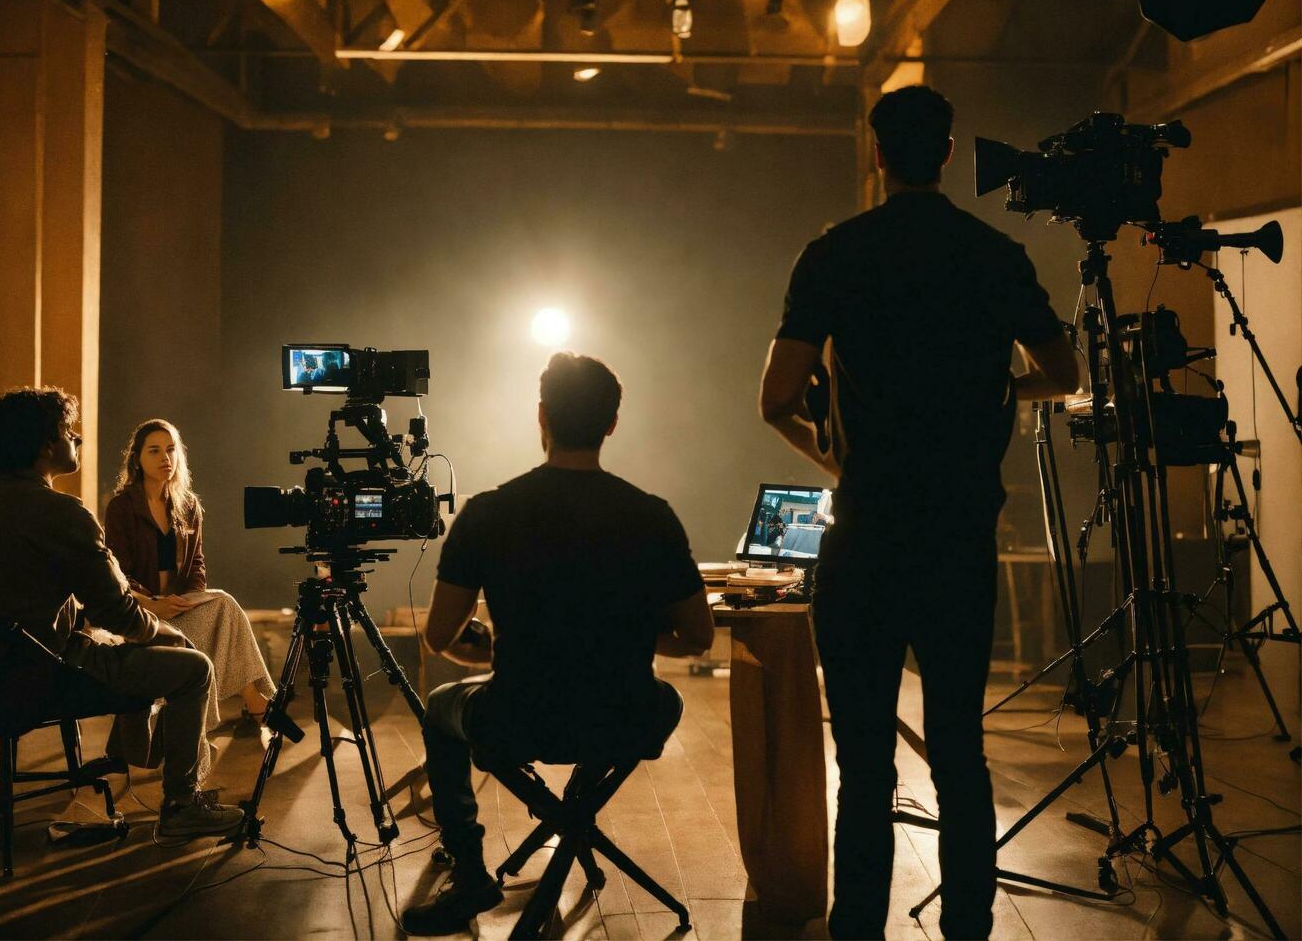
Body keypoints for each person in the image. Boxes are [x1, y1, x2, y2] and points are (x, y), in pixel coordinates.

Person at [759, 86, 1079, 939]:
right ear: (945, 154)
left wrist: (835, 457)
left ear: (877, 157)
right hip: (957, 542)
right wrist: (996, 390)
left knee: (861, 765)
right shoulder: (994, 254)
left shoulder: (831, 254)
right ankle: (968, 928)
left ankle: (857, 927)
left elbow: (774, 399)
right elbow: (1066, 374)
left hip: (864, 539)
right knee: (960, 755)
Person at [400, 353, 715, 936]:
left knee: (441, 705)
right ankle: (573, 818)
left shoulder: (488, 513)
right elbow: (697, 638)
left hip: (517, 719)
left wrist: (492, 647)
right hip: (627, 716)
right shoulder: (652, 517)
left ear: (540, 416)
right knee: (663, 699)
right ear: (611, 423)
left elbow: (440, 635)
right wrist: (634, 633)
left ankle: (470, 872)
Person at [0, 388, 244, 837]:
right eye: (67, 432)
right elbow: (118, 612)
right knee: (193, 667)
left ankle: (134, 759)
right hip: (35, 676)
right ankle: (180, 806)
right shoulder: (62, 512)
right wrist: (164, 633)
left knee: (135, 648)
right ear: (44, 447)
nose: (76, 439)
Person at [103, 419, 275, 735]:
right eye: (154, 451)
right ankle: (255, 701)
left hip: (180, 606)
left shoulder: (188, 505)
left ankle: (249, 702)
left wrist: (189, 599)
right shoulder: (121, 508)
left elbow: (196, 564)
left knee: (224, 604)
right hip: (145, 613)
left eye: (170, 450)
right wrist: (156, 603)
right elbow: (119, 573)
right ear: (137, 458)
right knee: (225, 610)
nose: (165, 458)